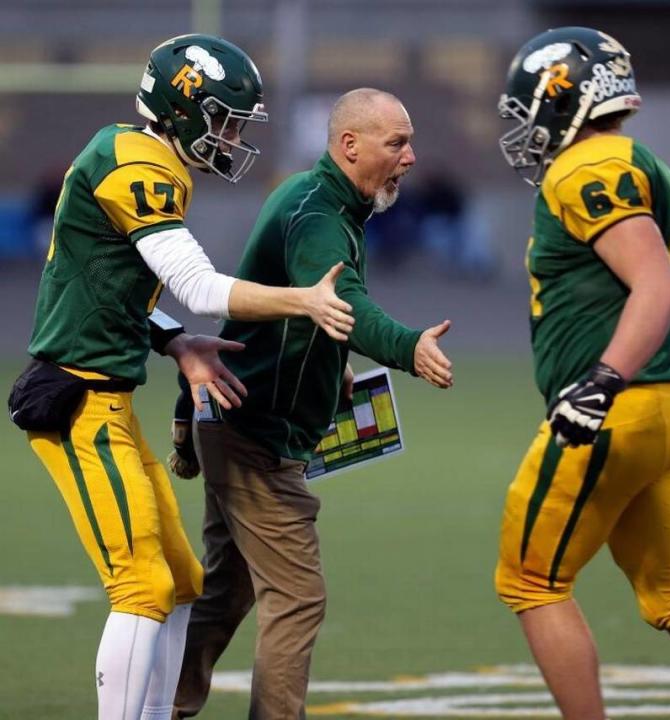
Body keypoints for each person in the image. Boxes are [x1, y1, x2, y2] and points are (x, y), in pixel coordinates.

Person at [9, 33, 353, 720]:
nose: (230, 135)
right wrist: (303, 299)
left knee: (184, 580)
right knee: (141, 585)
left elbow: (104, 287)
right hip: (80, 401)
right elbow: (197, 284)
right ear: (185, 108)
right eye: (225, 118)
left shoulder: (135, 155)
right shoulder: (136, 163)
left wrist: (174, 343)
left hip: (108, 397)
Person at [494, 27, 670, 720]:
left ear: (565, 97)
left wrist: (600, 383)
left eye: (533, 103)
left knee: (531, 580)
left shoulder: (587, 165)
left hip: (615, 406)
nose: (528, 124)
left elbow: (654, 285)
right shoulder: (644, 160)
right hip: (669, 401)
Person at [171, 87, 454, 720]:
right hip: (255, 436)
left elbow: (306, 313)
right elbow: (342, 302)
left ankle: (157, 705)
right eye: (397, 142)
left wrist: (332, 372)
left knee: (228, 590)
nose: (410, 157)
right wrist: (409, 347)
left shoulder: (321, 201)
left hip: (235, 419)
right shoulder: (320, 214)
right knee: (296, 597)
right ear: (349, 146)